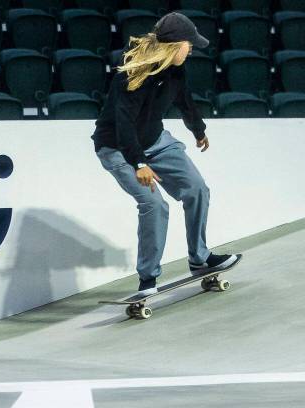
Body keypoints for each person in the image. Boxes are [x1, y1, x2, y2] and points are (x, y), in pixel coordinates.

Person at [92, 12, 240, 296]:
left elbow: (184, 100)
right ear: (174, 44)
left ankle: (200, 259)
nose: (192, 48)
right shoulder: (134, 71)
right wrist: (138, 163)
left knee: (196, 189)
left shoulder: (175, 68)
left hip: (155, 141)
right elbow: (124, 123)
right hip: (118, 148)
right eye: (189, 43)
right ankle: (148, 278)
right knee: (154, 205)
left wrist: (198, 130)